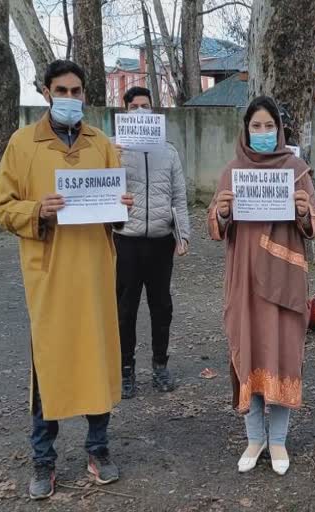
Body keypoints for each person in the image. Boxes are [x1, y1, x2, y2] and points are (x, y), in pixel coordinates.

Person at [0, 60, 133, 500]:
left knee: (95, 359)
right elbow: (1, 206)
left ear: (85, 94)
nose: (70, 98)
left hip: (93, 273)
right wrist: (38, 211)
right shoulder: (22, 144)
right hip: (49, 278)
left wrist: (121, 205)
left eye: (77, 91)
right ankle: (43, 458)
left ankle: (98, 449)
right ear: (46, 92)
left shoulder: (101, 144)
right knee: (48, 367)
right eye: (62, 90)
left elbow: (117, 215)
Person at [207, 96, 315, 476]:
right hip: (244, 282)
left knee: (284, 354)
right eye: (255, 126)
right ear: (246, 130)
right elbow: (215, 224)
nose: (262, 133)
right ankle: (254, 438)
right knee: (251, 353)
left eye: (268, 126)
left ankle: (278, 440)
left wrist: (305, 212)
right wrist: (222, 213)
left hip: (285, 282)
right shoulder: (232, 172)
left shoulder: (297, 170)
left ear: (279, 130)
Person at [113, 86, 191, 398]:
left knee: (162, 307)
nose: (141, 111)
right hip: (126, 241)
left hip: (160, 241)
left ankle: (160, 365)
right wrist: (111, 160)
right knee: (125, 308)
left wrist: (183, 234)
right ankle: (126, 369)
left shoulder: (168, 151)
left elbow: (179, 196)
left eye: (146, 106)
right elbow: (101, 193)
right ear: (125, 111)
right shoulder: (112, 150)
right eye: (134, 107)